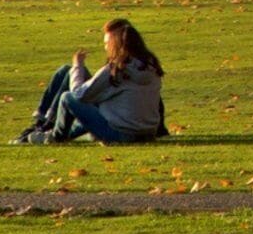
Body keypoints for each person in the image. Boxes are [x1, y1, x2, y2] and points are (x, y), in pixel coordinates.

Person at [17, 18, 169, 143]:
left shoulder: (116, 69)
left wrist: (78, 66)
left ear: (116, 45)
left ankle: (53, 136)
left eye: (107, 44)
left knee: (67, 97)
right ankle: (44, 125)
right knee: (66, 71)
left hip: (121, 133)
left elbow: (78, 94)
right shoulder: (151, 66)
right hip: (147, 132)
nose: (105, 48)